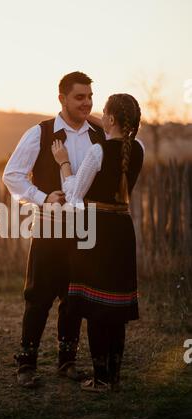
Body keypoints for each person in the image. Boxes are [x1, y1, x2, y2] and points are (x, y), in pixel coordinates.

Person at [2, 71, 105, 387]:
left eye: (89, 96)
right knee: (38, 297)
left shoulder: (97, 137)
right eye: (79, 97)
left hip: (84, 230)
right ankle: (26, 365)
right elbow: (12, 175)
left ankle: (67, 362)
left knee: (74, 298)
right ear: (61, 98)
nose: (86, 102)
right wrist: (43, 197)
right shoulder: (41, 133)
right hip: (48, 228)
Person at [51, 93, 144, 392]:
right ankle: (112, 378)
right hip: (122, 229)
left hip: (96, 230)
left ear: (112, 119)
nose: (100, 116)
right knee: (114, 306)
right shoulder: (138, 148)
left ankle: (101, 379)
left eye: (104, 113)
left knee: (94, 305)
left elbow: (74, 195)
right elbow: (117, 140)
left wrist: (64, 162)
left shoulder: (97, 152)